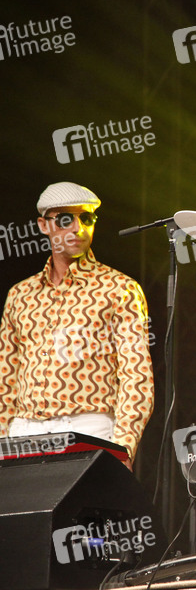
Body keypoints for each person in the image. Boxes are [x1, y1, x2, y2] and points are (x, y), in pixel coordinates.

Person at [0, 182, 155, 468]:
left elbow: (136, 377)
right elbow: (5, 377)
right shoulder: (20, 294)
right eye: (64, 219)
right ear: (43, 225)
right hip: (22, 432)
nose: (78, 228)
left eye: (86, 218)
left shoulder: (119, 288)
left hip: (89, 429)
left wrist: (123, 449)